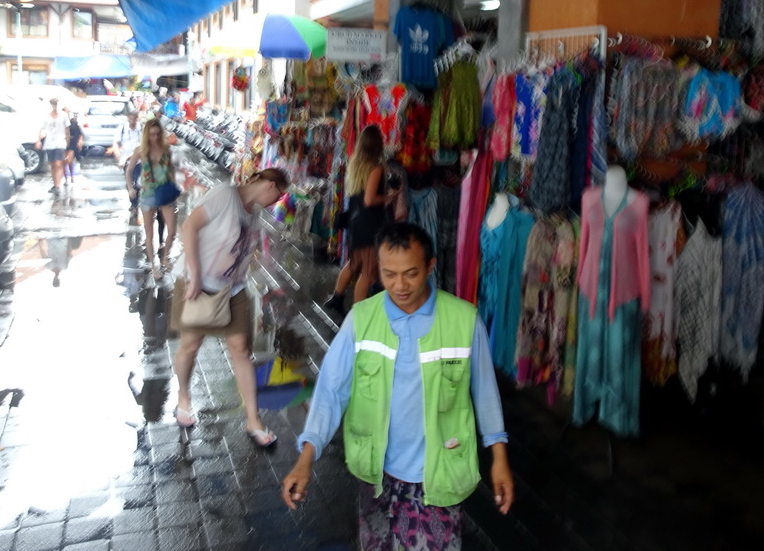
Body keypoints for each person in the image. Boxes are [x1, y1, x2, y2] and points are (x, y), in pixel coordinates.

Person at [282, 223, 514, 550]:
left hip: (439, 475)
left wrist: (499, 457)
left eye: (411, 273)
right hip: (376, 475)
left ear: (431, 267)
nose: (400, 285)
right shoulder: (361, 320)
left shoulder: (463, 320)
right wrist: (306, 457)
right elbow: (331, 391)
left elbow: (486, 393)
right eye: (389, 274)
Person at [171, 168, 289, 447]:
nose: (278, 201)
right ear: (270, 186)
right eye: (279, 195)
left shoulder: (255, 212)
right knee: (190, 345)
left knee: (241, 350)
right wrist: (196, 275)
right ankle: (184, 397)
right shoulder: (225, 194)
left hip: (234, 288)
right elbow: (189, 226)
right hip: (199, 284)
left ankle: (253, 419)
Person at [326, 124, 386, 312]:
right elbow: (369, 200)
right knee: (368, 272)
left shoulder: (355, 163)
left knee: (353, 263)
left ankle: (336, 297)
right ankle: (358, 315)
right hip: (369, 223)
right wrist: (388, 197)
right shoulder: (375, 168)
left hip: (355, 221)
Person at [125, 118, 179, 279]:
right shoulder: (140, 150)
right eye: (151, 134)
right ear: (146, 134)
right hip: (148, 194)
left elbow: (171, 170)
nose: (154, 137)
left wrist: (175, 186)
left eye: (157, 134)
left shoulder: (166, 149)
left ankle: (165, 258)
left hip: (166, 192)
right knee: (149, 233)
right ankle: (154, 265)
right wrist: (130, 188)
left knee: (172, 231)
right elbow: (129, 171)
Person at [36, 97, 69, 196]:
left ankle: (58, 185)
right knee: (53, 164)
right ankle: (55, 184)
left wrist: (67, 142)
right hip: (49, 143)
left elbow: (67, 130)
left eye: (56, 104)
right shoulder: (46, 116)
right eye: (53, 104)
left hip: (60, 142)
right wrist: (38, 141)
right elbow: (41, 129)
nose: (55, 106)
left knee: (59, 163)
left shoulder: (63, 116)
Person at [64, 111, 83, 185]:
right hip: (62, 143)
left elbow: (80, 133)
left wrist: (79, 141)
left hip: (72, 143)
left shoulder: (73, 123)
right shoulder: (61, 123)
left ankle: (71, 175)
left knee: (69, 161)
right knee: (63, 162)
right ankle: (66, 179)